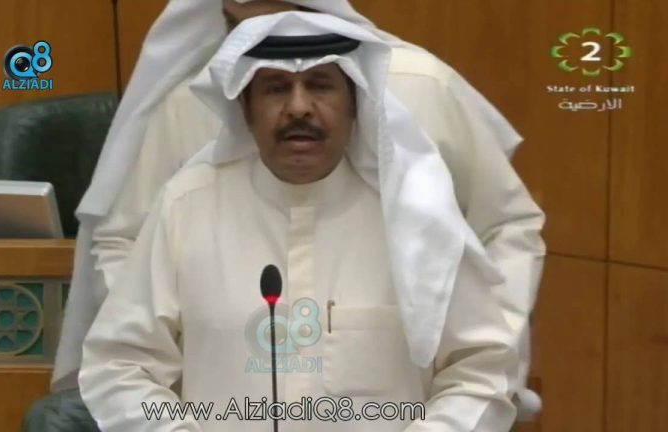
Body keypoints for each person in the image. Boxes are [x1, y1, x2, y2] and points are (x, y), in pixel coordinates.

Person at [52, 0, 545, 422]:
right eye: (275, 88)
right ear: (244, 108)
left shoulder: (417, 213)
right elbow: (120, 364)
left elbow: (481, 369)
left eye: (321, 85)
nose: (299, 108)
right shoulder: (186, 208)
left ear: (357, 101)